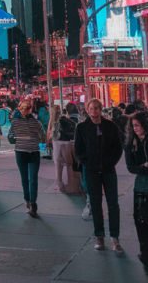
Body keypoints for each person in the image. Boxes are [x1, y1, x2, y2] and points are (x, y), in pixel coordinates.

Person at [74, 97, 123, 253]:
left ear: (101, 109)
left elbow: (118, 148)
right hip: (91, 171)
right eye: (91, 108)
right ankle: (99, 236)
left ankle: (115, 237)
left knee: (113, 204)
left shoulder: (111, 126)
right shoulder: (82, 127)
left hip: (109, 170)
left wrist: (110, 163)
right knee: (95, 204)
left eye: (96, 108)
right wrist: (88, 163)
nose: (94, 111)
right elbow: (79, 149)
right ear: (87, 110)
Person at [8, 98, 46, 217]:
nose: (24, 110)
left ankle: (30, 202)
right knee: (30, 178)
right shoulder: (33, 122)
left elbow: (10, 138)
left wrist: (18, 140)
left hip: (25, 152)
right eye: (23, 108)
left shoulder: (21, 122)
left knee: (28, 178)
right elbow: (43, 138)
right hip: (28, 152)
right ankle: (30, 201)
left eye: (25, 108)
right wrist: (37, 142)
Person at [125, 110, 148, 273]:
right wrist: (144, 166)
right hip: (141, 185)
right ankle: (145, 253)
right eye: (133, 126)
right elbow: (131, 167)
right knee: (140, 221)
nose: (136, 128)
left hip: (142, 182)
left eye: (138, 125)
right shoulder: (130, 143)